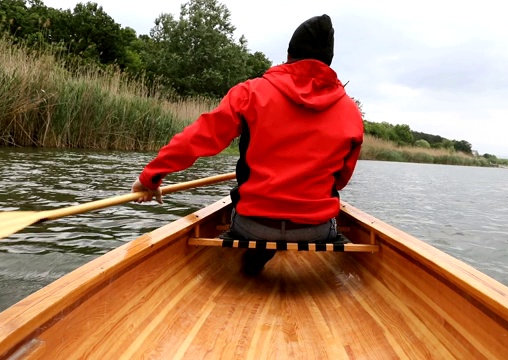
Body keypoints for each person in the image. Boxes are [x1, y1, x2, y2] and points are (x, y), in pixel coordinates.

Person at [132, 14, 364, 275]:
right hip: (316, 228)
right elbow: (341, 179)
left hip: (253, 225)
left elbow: (197, 138)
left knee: (250, 215)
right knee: (320, 219)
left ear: (289, 54)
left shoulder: (251, 92)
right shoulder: (350, 111)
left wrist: (150, 178)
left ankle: (251, 263)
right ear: (329, 61)